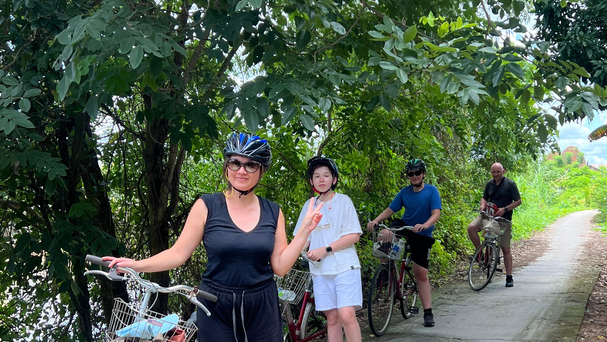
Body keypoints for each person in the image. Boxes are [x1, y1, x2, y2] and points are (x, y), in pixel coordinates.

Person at [104, 133, 323, 342]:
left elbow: (280, 267)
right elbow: (178, 253)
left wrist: (304, 232)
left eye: (251, 164)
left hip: (261, 305)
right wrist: (136, 265)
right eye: (235, 162)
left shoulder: (273, 211)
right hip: (215, 304)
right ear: (226, 166)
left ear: (261, 171)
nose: (242, 170)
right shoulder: (207, 206)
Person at [367, 158, 441, 328]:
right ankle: (385, 272)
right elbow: (391, 209)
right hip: (406, 226)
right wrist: (376, 220)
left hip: (422, 232)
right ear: (407, 175)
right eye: (410, 173)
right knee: (385, 233)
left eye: (417, 173)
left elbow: (436, 213)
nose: (414, 176)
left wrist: (425, 225)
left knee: (420, 273)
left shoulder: (431, 191)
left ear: (423, 174)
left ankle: (428, 311)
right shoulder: (404, 192)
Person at [295, 156, 362, 342]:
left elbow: (354, 235)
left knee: (347, 315)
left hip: (344, 266)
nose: (321, 179)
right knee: (332, 319)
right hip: (320, 270)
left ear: (334, 179)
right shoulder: (309, 206)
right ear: (311, 181)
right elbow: (302, 239)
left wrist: (326, 249)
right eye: (317, 176)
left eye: (326, 175)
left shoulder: (343, 201)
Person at [467, 162, 522, 287]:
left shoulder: (510, 184)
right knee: (472, 228)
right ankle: (480, 254)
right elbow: (484, 197)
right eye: (493, 172)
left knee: (505, 249)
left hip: (503, 219)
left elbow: (518, 201)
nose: (495, 174)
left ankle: (509, 277)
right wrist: (482, 205)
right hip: (488, 215)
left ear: (503, 171)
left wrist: (505, 209)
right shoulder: (489, 184)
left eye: (498, 172)